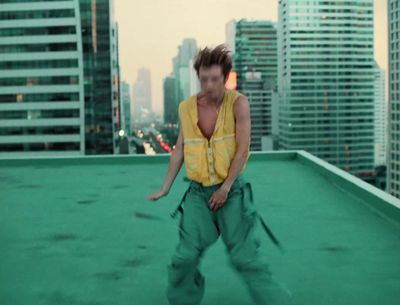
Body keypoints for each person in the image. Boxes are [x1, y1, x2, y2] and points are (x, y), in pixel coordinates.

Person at [147, 44, 291, 305]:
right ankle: (183, 300)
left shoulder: (239, 104)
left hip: (232, 192)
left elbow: (243, 149)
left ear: (225, 78)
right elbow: (180, 148)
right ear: (198, 77)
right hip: (198, 194)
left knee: (245, 258)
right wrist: (166, 186)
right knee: (185, 257)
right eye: (204, 79)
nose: (209, 85)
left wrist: (225, 188)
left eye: (215, 79)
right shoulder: (187, 108)